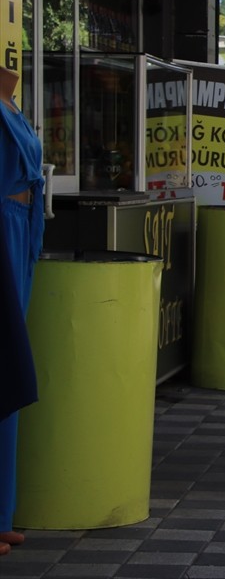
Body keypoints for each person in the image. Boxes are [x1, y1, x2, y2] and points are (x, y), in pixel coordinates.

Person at [1, 66, 45, 558]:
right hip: (4, 227)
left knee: (9, 373)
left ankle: (2, 512)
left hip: (22, 228)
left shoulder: (16, 106)